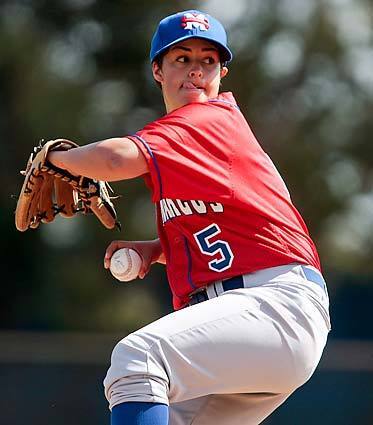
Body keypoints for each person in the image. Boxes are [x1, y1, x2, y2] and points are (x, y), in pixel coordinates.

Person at [48, 10, 331, 425]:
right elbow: (245, 229)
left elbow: (112, 158)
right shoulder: (195, 143)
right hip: (255, 319)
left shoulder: (208, 119)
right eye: (182, 59)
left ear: (222, 72)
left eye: (208, 61)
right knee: (159, 404)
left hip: (274, 305)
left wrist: (56, 159)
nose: (196, 72)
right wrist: (161, 250)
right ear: (157, 70)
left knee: (138, 359)